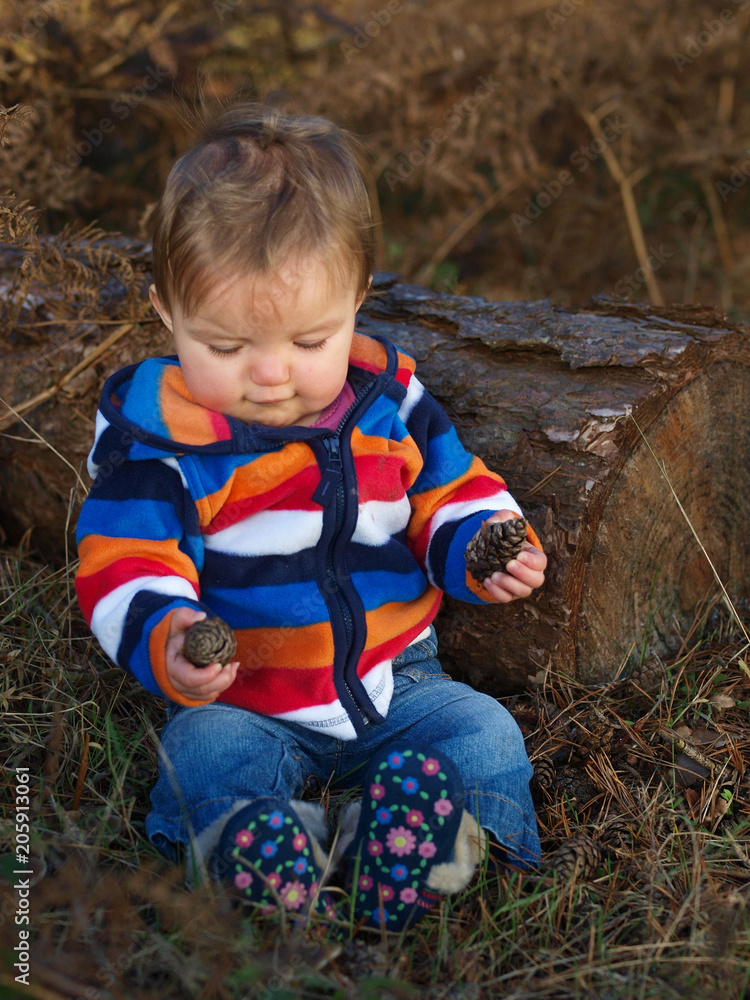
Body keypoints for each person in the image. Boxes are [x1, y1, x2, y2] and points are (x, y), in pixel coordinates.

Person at [75, 103, 547, 931]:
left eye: (309, 339)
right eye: (223, 346)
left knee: (484, 735)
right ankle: (267, 852)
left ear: (359, 299)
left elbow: (447, 489)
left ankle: (410, 846)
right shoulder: (165, 445)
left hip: (397, 677)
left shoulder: (386, 401)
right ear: (166, 313)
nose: (270, 374)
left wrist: (481, 545)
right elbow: (125, 560)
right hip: (246, 693)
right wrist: (171, 636)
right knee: (204, 759)